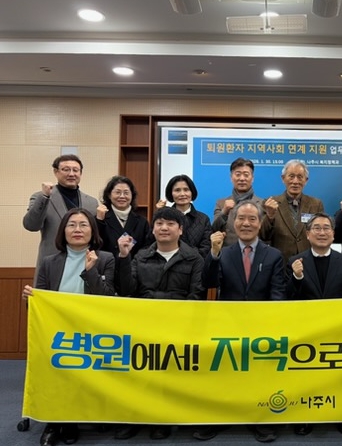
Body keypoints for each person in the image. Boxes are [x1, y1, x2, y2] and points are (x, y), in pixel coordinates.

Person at [22, 208, 115, 446]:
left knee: (82, 374)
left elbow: (107, 299)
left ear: (92, 231)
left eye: (83, 225)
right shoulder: (49, 262)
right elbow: (40, 302)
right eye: (71, 225)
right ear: (63, 231)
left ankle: (73, 420)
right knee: (56, 372)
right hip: (58, 331)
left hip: (92, 330)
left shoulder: (105, 259)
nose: (77, 230)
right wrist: (30, 298)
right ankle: (54, 423)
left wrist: (91, 271)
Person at [114, 207, 205, 440]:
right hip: (145, 325)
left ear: (180, 230)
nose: (164, 228)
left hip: (178, 326)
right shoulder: (141, 256)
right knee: (139, 375)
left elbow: (196, 295)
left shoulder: (194, 258)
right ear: (153, 229)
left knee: (168, 376)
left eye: (170, 224)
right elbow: (127, 290)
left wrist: (175, 318)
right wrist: (123, 257)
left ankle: (160, 419)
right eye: (159, 224)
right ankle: (135, 417)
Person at [201, 200, 285, 443]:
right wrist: (213, 254)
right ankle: (220, 418)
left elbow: (278, 293)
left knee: (259, 376)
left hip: (262, 327)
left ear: (260, 223)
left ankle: (260, 420)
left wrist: (271, 324)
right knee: (226, 375)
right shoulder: (223, 253)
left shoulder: (274, 255)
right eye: (241, 218)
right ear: (233, 222)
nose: (246, 223)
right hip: (229, 325)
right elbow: (208, 282)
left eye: (252, 219)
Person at [286, 212, 342, 437]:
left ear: (333, 234)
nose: (322, 232)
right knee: (308, 376)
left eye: (326, 228)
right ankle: (306, 416)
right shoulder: (295, 262)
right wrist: (297, 277)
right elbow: (287, 300)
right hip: (306, 331)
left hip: (338, 330)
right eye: (316, 228)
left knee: (339, 376)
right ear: (308, 234)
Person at [23, 154, 98, 283]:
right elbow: (31, 225)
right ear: (56, 172)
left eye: (75, 170)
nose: (71, 174)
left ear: (80, 173)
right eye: (66, 169)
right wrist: (45, 197)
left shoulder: (91, 202)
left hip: (84, 264)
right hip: (52, 264)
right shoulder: (41, 197)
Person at [260, 159, 324, 264]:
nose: (295, 181)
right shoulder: (270, 203)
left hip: (308, 264)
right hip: (280, 264)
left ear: (306, 180)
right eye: (291, 176)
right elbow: (263, 236)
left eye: (300, 177)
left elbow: (320, 235)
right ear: (283, 178)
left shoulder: (316, 204)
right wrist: (270, 216)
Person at [96, 175, 153, 259]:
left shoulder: (142, 222)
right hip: (108, 265)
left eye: (126, 193)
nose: (122, 196)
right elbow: (94, 244)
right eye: (117, 192)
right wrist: (99, 221)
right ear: (109, 195)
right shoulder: (101, 218)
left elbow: (147, 247)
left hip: (134, 265)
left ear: (132, 196)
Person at [156, 174, 211, 259]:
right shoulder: (163, 217)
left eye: (186, 190)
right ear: (171, 193)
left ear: (192, 192)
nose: (182, 194)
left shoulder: (204, 219)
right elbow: (154, 243)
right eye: (177, 190)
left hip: (195, 264)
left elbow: (206, 248)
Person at [212, 157, 264, 246]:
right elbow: (214, 229)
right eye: (238, 174)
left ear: (252, 178)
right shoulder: (221, 203)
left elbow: (266, 234)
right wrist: (224, 212)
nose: (242, 178)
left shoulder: (262, 204)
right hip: (228, 252)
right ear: (231, 177)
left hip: (256, 252)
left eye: (246, 175)